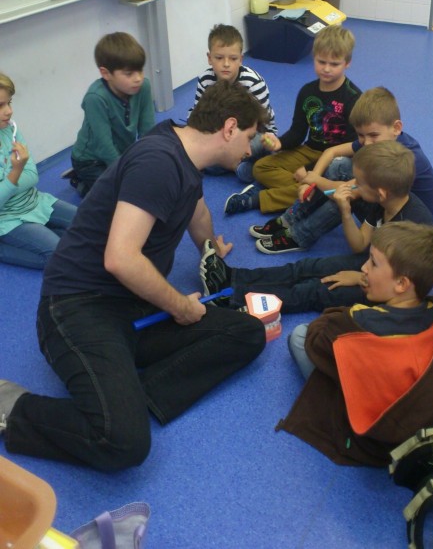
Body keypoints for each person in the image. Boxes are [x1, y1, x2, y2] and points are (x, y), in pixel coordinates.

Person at [0, 82, 269, 472]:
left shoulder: (184, 152)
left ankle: (125, 397)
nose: (249, 150)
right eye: (248, 137)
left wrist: (211, 251)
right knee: (123, 443)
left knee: (246, 332)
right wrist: (180, 307)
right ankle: (14, 407)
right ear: (229, 128)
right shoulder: (159, 163)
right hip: (78, 306)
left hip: (132, 304)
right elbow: (121, 259)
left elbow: (197, 211)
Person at [277, 221, 433, 467]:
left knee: (299, 336)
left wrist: (358, 306)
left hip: (375, 437)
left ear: (401, 284)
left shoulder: (362, 320)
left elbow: (318, 337)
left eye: (373, 263)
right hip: (420, 415)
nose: (363, 268)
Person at [200, 140, 433, 314]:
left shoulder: (412, 227)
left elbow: (405, 286)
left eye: (360, 184)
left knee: (316, 290)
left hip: (389, 288)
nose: (353, 185)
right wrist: (345, 212)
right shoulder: (384, 202)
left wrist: (360, 278)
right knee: (308, 267)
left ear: (381, 193)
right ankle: (233, 278)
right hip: (375, 263)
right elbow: (360, 246)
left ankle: (233, 299)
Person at [248, 86, 433, 254]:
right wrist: (311, 179)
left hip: (402, 230)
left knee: (344, 197)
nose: (366, 143)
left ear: (396, 128)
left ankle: (299, 236)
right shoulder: (381, 141)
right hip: (384, 201)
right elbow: (331, 152)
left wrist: (314, 180)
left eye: (373, 135)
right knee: (339, 165)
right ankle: (290, 219)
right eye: (361, 136)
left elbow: (351, 190)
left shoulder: (400, 158)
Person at [224, 24, 362, 215]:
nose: (326, 69)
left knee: (319, 181)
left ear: (347, 63)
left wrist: (310, 170)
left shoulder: (353, 98)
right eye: (321, 62)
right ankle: (309, 190)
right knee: (261, 167)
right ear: (314, 57)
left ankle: (258, 199)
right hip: (309, 150)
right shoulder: (307, 92)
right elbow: (297, 132)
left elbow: (353, 146)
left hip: (336, 160)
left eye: (334, 64)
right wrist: (279, 143)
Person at [0, 73, 77, 269]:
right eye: (0, 106)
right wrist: (16, 172)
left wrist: (8, 184)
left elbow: (32, 176)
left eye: (9, 102)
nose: (9, 111)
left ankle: (46, 233)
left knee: (91, 226)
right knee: (61, 257)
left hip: (35, 201)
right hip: (8, 219)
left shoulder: (10, 129)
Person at [189, 24, 279, 183]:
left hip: (255, 134)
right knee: (201, 149)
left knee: (214, 158)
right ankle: (237, 165)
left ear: (241, 59)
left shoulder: (253, 83)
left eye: (233, 58)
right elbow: (199, 116)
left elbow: (262, 123)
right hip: (222, 132)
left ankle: (235, 162)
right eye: (219, 58)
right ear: (209, 58)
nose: (226, 64)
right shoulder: (205, 80)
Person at [68, 32, 156, 196]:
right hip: (91, 160)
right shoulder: (95, 98)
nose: (138, 78)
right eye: (129, 74)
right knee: (121, 196)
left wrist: (151, 160)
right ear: (106, 73)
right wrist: (127, 174)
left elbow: (148, 130)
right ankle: (81, 181)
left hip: (122, 153)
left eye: (140, 70)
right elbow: (104, 146)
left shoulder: (143, 87)